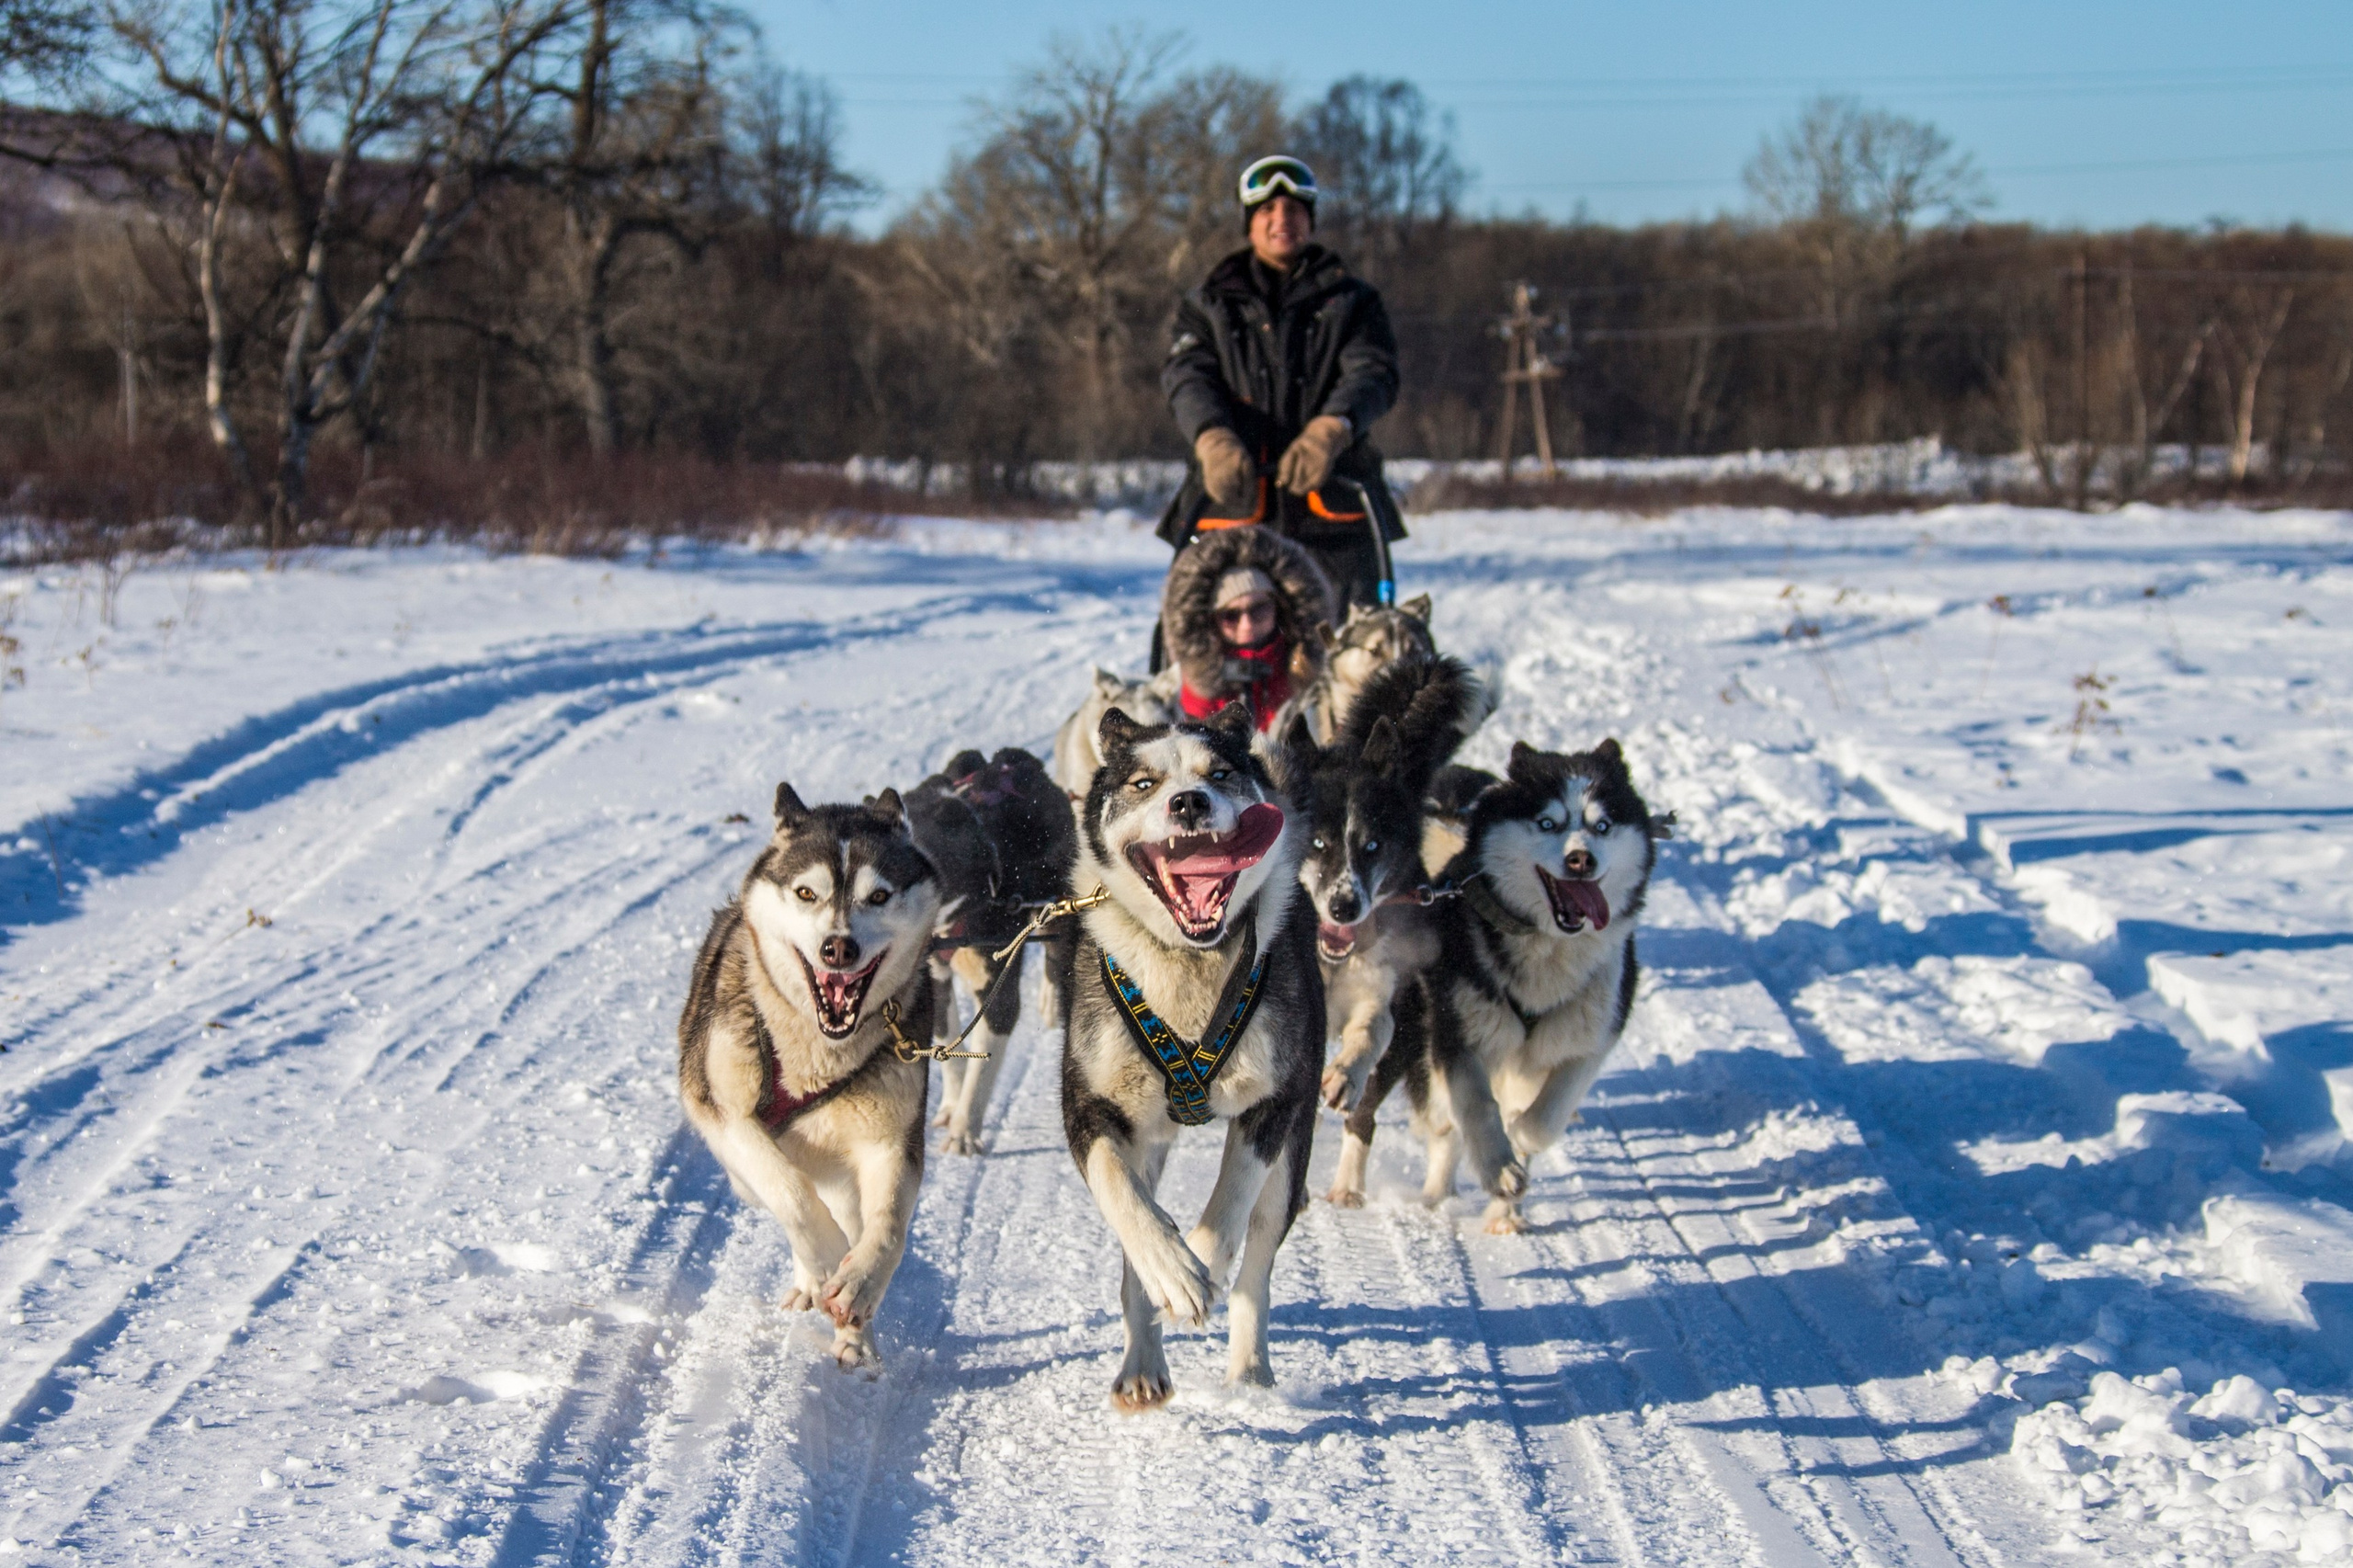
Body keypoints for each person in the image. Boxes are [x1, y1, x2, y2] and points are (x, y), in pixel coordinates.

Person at [1157, 153, 1404, 617]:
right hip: (1229, 508)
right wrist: (1213, 438)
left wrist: (1331, 430)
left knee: (1354, 653)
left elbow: (1373, 373)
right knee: (1222, 648)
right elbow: (1186, 377)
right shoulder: (1205, 305)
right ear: (1249, 223)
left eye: (1293, 210)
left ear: (1309, 220)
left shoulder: (1354, 301)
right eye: (1267, 211)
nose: (1281, 221)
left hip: (1336, 509)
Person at [1161, 524, 1336, 734]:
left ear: (1278, 607)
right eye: (1231, 615)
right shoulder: (1199, 686)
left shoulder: (1306, 667)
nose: (1247, 624)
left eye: (1259, 609)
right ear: (1212, 620)